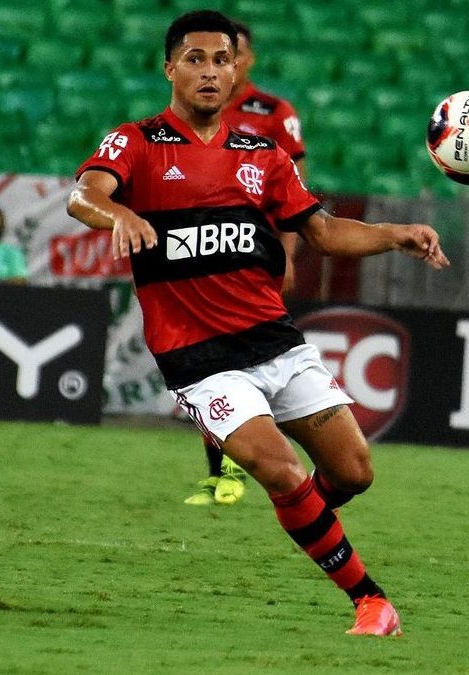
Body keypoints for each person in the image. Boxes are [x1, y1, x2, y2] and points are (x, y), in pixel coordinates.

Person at [66, 10, 449, 636]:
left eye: (221, 59)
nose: (210, 71)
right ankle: (371, 602)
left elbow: (322, 231)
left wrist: (393, 235)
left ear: (237, 69)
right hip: (198, 357)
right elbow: (84, 194)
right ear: (170, 69)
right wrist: (116, 216)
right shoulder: (136, 142)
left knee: (354, 473)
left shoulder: (262, 153)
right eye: (195, 59)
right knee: (282, 471)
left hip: (275, 341)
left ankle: (303, 520)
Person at [182, 17, 312, 507]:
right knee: (207, 361)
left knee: (245, 359)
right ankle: (220, 472)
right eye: (207, 56)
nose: (218, 65)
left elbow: (293, 190)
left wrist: (289, 252)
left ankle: (238, 469)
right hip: (202, 251)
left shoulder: (273, 112)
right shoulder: (194, 111)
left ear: (245, 60)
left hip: (256, 251)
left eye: (229, 54)